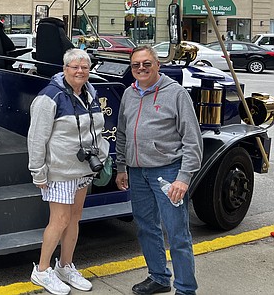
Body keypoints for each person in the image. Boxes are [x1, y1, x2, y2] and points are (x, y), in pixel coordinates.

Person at [115, 45, 202, 295]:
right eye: (135, 65)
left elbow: (192, 140)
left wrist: (183, 178)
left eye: (146, 63)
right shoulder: (128, 95)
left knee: (177, 233)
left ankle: (185, 289)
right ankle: (159, 278)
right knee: (145, 227)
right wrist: (122, 166)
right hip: (137, 173)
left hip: (168, 173)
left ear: (157, 65)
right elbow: (122, 134)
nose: (141, 68)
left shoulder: (176, 94)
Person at [28, 49, 108, 294]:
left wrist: (101, 152)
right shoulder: (49, 97)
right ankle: (41, 271)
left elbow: (98, 129)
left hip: (83, 170)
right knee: (60, 220)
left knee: (74, 218)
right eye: (74, 67)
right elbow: (36, 138)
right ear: (64, 69)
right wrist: (38, 172)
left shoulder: (90, 93)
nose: (80, 71)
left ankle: (65, 266)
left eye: (84, 67)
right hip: (59, 170)